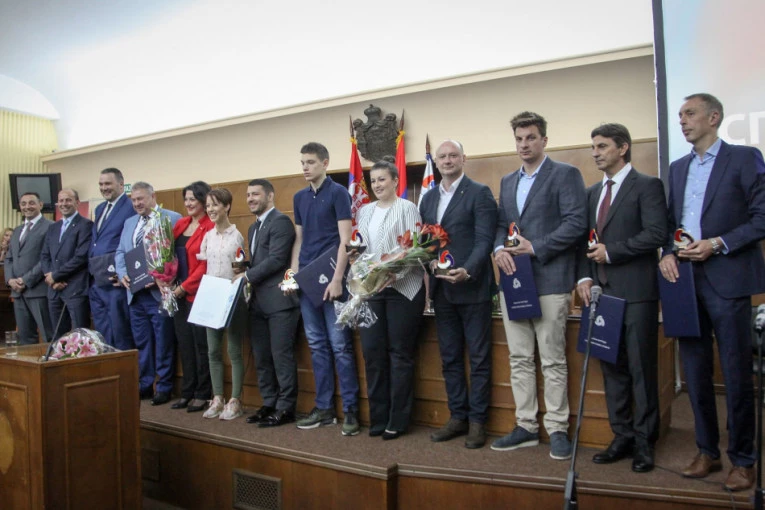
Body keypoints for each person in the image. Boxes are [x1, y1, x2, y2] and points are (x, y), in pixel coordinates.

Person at [658, 93, 765, 491]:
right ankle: (707, 451)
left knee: (736, 372)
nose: (682, 121)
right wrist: (667, 253)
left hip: (728, 276)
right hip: (685, 282)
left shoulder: (744, 158)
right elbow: (671, 223)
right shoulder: (678, 167)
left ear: (714, 117)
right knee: (695, 371)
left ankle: (743, 460)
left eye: (690, 113)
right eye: (680, 115)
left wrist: (717, 243)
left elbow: (762, 217)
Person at [491, 112, 586, 460]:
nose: (524, 144)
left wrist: (536, 247)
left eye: (530, 137)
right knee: (518, 358)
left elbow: (576, 223)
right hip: (515, 282)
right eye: (519, 139)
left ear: (544, 140)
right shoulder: (507, 181)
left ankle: (557, 428)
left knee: (552, 359)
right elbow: (501, 225)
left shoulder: (565, 174)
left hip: (550, 279)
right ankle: (526, 426)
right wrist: (498, 249)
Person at [576, 123, 667, 473]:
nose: (595, 153)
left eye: (602, 146)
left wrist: (612, 252)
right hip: (602, 295)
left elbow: (656, 234)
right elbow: (585, 243)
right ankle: (622, 435)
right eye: (593, 147)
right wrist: (585, 276)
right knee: (612, 370)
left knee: (641, 370)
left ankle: (645, 442)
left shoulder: (647, 185)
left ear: (623, 147)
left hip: (638, 293)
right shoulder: (591, 193)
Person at [419, 140, 497, 449]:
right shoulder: (428, 198)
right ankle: (457, 417)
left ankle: (477, 422)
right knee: (450, 357)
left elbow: (484, 240)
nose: (448, 160)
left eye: (453, 155)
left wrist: (469, 269)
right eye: (442, 156)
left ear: (464, 159)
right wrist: (428, 263)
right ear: (436, 162)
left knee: (478, 359)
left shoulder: (479, 193)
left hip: (473, 288)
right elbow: (425, 243)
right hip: (442, 291)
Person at [289, 142, 360, 436]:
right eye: (302, 162)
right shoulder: (299, 197)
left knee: (340, 346)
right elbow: (299, 240)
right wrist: (292, 274)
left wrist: (337, 278)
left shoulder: (338, 193)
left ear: (325, 163)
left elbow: (346, 240)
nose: (305, 167)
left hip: (333, 279)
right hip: (307, 280)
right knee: (317, 345)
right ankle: (325, 408)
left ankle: (351, 410)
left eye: (310, 162)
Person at [356, 159, 426, 440]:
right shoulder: (364, 211)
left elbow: (415, 249)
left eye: (382, 179)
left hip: (403, 289)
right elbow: (360, 248)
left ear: (396, 181)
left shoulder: (408, 208)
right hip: (372, 291)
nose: (377, 185)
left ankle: (397, 420)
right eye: (373, 180)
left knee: (399, 356)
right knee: (372, 353)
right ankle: (378, 417)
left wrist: (393, 273)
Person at [241, 179, 300, 427]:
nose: (250, 199)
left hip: (280, 302)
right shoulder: (253, 227)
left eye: (256, 194)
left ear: (270, 196)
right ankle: (269, 403)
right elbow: (258, 261)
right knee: (262, 357)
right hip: (258, 303)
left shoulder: (281, 222)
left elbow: (277, 260)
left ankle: (285, 408)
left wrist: (246, 276)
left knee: (281, 356)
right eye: (248, 195)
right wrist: (243, 269)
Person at [115, 181, 181, 405]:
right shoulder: (129, 222)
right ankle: (144, 384)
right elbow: (120, 252)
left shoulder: (172, 218)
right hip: (135, 294)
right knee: (142, 342)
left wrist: (161, 276)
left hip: (158, 292)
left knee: (163, 342)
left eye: (140, 199)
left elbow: (177, 255)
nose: (137, 203)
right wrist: (122, 273)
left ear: (153, 197)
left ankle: (164, 387)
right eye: (133, 200)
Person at [198, 188, 248, 421]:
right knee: (213, 350)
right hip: (211, 295)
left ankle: (235, 400)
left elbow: (240, 268)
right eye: (208, 205)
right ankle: (217, 397)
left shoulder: (236, 236)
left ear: (227, 206)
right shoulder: (208, 236)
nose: (210, 209)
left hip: (232, 295)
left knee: (234, 350)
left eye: (215, 205)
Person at [170, 181, 214, 413]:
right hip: (177, 294)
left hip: (198, 294)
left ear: (204, 201)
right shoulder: (181, 224)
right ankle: (187, 391)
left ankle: (202, 393)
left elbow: (205, 265)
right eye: (186, 199)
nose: (188, 203)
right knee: (185, 345)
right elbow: (168, 255)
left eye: (192, 199)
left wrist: (184, 287)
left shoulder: (210, 226)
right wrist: (166, 279)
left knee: (201, 346)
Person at [89, 168, 136, 351]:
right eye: (101, 184)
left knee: (120, 332)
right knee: (102, 334)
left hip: (116, 281)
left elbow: (133, 242)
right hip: (97, 279)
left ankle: (124, 368)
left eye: (108, 183)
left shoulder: (130, 206)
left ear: (121, 184)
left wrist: (125, 272)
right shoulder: (100, 208)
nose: (104, 188)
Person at [41, 189, 93, 339]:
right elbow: (45, 256)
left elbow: (81, 257)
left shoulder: (86, 225)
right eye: (61, 201)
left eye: (68, 200)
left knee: (80, 336)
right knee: (59, 337)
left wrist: (56, 275)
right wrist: (52, 279)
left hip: (75, 289)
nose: (64, 204)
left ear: (77, 202)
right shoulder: (53, 227)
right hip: (54, 290)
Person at [4, 192, 54, 344]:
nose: (27, 207)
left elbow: (47, 258)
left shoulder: (51, 227)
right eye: (23, 204)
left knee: (48, 335)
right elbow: (9, 258)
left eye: (31, 203)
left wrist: (25, 280)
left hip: (38, 290)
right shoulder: (17, 230)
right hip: (18, 292)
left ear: (40, 205)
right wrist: (10, 280)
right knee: (25, 338)